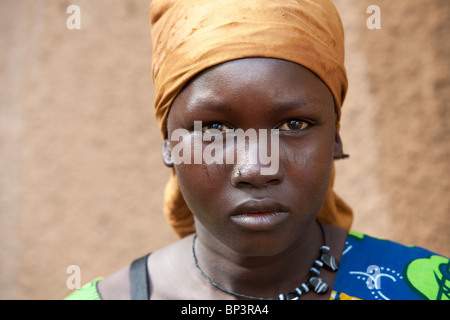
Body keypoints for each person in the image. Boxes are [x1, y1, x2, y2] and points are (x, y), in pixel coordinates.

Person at [65, 0, 449, 300]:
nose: (256, 167)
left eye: (294, 125)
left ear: (335, 139)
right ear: (169, 145)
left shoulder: (426, 286)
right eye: (214, 127)